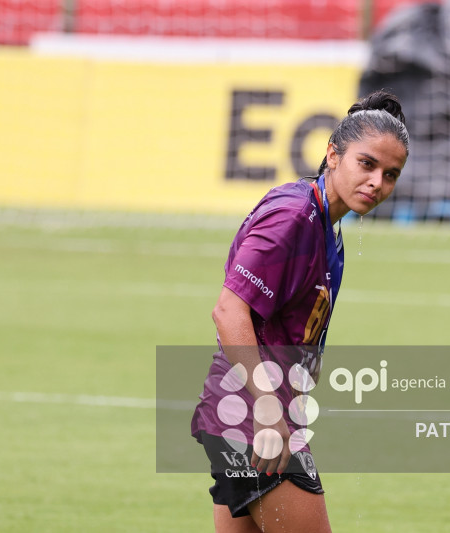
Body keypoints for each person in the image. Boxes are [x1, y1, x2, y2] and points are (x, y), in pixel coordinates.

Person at [191, 90, 409, 533]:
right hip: (253, 418)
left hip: (247, 415)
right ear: (333, 154)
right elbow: (229, 310)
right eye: (366, 164)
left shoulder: (329, 224)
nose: (377, 183)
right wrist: (270, 406)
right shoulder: (293, 216)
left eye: (391, 174)